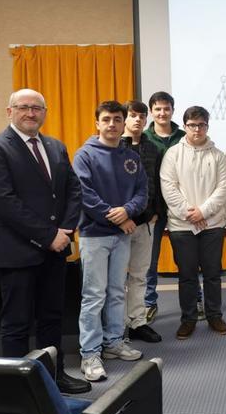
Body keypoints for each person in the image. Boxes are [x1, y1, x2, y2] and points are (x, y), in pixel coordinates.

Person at [0, 88, 91, 394]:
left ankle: (54, 377)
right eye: (23, 107)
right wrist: (48, 235)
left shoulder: (55, 146)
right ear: (9, 111)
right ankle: (16, 388)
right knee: (16, 322)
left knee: (52, 318)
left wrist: (65, 230)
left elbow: (73, 191)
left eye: (37, 108)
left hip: (55, 251)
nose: (30, 113)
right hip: (16, 253)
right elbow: (4, 202)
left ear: (44, 112)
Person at [73, 100, 147, 382]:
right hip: (94, 236)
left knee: (118, 291)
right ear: (98, 123)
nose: (113, 124)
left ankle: (114, 342)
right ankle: (90, 353)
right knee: (94, 295)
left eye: (118, 119)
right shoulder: (84, 155)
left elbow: (142, 191)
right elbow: (86, 195)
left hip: (121, 237)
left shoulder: (132, 157)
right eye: (107, 119)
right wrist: (117, 216)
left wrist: (128, 211)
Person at [160, 105, 226, 340]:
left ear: (207, 127)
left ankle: (214, 315)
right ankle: (188, 319)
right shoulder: (173, 154)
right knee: (187, 275)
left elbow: (223, 189)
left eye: (201, 125)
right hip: (182, 226)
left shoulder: (218, 155)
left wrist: (203, 212)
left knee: (212, 274)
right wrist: (189, 214)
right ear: (185, 127)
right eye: (192, 125)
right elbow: (168, 187)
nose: (197, 129)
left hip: (212, 225)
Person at [120, 100, 163, 343]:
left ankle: (137, 322)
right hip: (117, 225)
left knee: (139, 276)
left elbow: (156, 182)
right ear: (125, 118)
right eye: (133, 115)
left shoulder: (153, 148)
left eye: (141, 116)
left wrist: (155, 212)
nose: (137, 120)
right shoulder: (114, 146)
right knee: (115, 281)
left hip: (146, 222)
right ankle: (116, 327)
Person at [142, 91, 187, 323]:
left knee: (187, 259)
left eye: (166, 108)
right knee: (150, 260)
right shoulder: (143, 138)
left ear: (172, 110)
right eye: (157, 109)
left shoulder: (184, 135)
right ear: (151, 111)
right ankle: (149, 303)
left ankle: (194, 299)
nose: (162, 113)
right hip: (155, 210)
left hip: (182, 207)